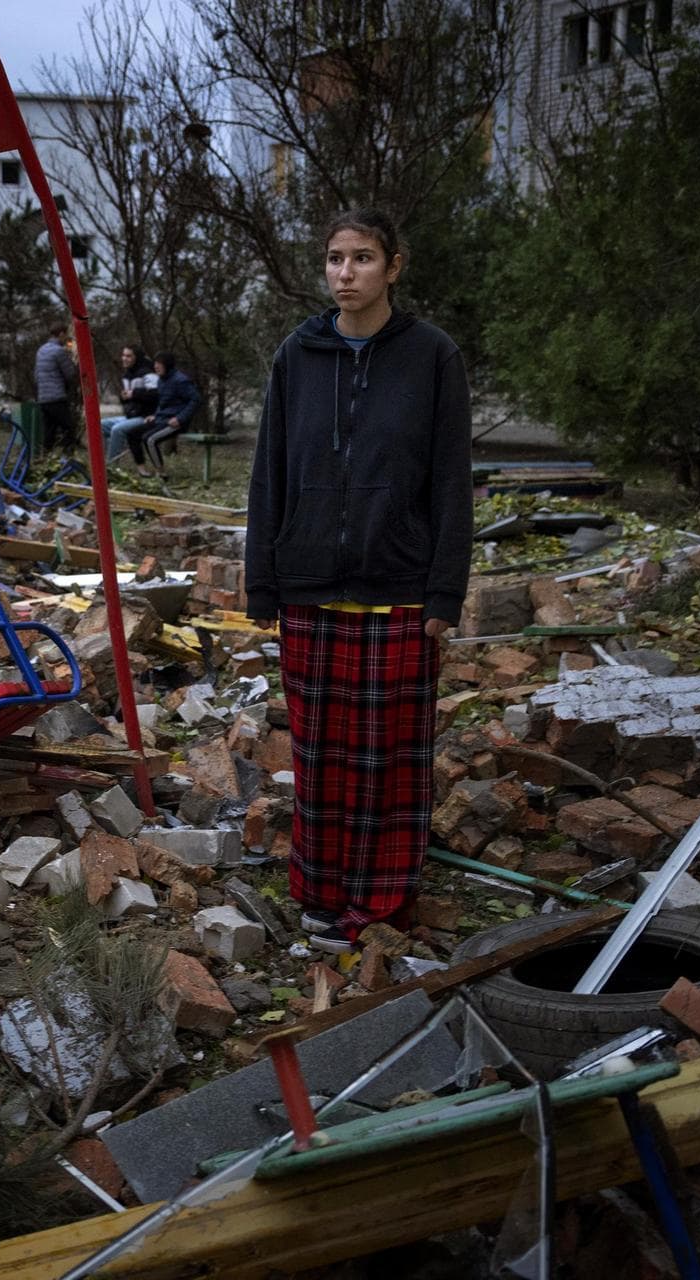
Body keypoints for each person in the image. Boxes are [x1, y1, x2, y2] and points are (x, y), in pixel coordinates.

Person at [244, 207, 472, 954]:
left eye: (363, 258)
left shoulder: (432, 357)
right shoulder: (297, 355)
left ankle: (381, 903)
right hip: (311, 588)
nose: (346, 273)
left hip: (399, 589)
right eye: (336, 258)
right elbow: (271, 470)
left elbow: (450, 481)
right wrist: (263, 580)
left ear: (394, 266)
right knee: (320, 759)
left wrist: (445, 592)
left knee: (388, 765)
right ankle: (321, 892)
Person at [127, 352, 200, 476]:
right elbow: (163, 402)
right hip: (161, 419)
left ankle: (161, 473)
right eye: (155, 363)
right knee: (132, 433)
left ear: (168, 365)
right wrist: (155, 415)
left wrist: (180, 418)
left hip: (175, 422)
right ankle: (142, 470)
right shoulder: (161, 380)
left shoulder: (181, 380)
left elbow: (195, 400)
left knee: (149, 439)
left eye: (159, 364)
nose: (156, 367)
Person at [100, 343, 159, 460]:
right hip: (131, 415)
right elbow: (129, 400)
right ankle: (104, 460)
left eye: (128, 356)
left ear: (136, 357)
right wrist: (124, 398)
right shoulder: (128, 374)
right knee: (100, 425)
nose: (124, 359)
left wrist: (134, 394)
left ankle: (111, 466)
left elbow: (156, 394)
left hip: (146, 416)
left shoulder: (148, 373)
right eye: (123, 355)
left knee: (117, 429)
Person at [33, 322, 80, 453]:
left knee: (49, 430)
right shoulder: (59, 351)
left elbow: (36, 375)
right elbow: (70, 374)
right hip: (56, 397)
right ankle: (68, 457)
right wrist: (73, 359)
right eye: (66, 335)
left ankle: (45, 459)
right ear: (61, 334)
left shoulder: (41, 350)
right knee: (69, 428)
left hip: (43, 397)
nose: (67, 339)